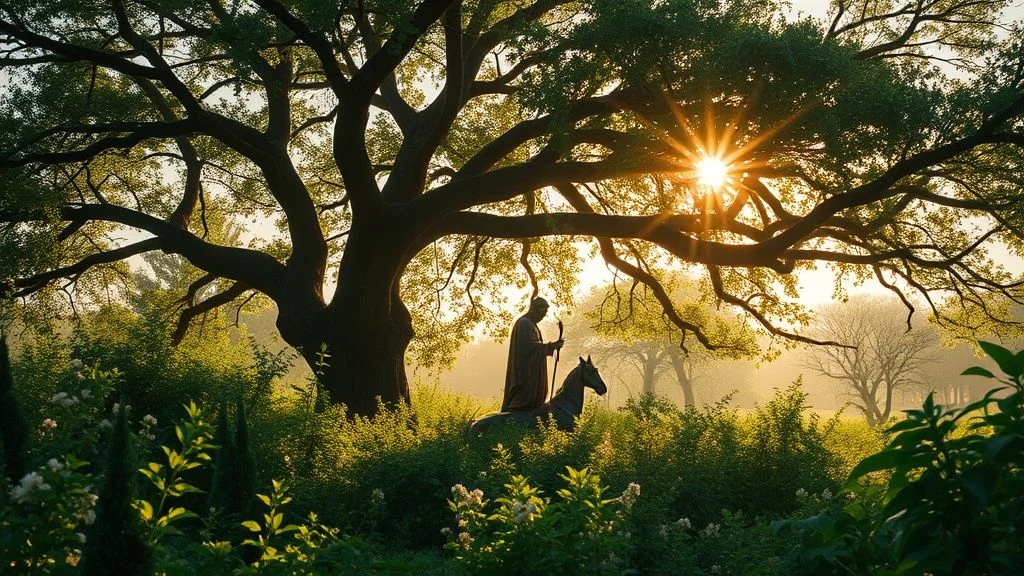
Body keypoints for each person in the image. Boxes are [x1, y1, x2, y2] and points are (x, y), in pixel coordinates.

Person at [501, 297, 565, 411]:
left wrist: (551, 346)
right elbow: (528, 348)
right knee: (524, 400)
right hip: (525, 374)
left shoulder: (531, 324)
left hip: (533, 372)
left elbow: (534, 346)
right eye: (543, 312)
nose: (543, 316)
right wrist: (551, 346)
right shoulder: (524, 323)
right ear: (536, 309)